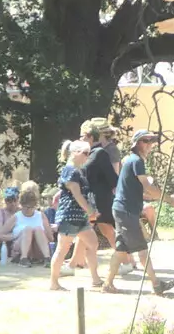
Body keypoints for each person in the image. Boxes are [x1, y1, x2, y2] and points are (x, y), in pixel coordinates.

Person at [105, 129, 174, 294]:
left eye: (152, 141)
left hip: (122, 209)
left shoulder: (133, 161)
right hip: (126, 211)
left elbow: (140, 190)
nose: (150, 144)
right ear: (137, 144)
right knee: (142, 249)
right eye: (146, 141)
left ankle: (107, 284)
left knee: (121, 250)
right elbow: (148, 188)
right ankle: (156, 284)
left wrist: (162, 197)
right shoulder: (136, 161)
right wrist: (170, 200)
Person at [51, 139, 102, 290]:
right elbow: (77, 195)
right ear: (75, 153)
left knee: (92, 243)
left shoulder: (79, 171)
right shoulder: (70, 170)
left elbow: (81, 193)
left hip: (80, 217)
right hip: (69, 216)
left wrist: (90, 210)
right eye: (85, 153)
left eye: (89, 153)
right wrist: (90, 211)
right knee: (62, 249)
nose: (87, 157)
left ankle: (95, 279)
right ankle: (54, 283)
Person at [83, 120, 121, 251]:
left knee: (89, 228)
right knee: (101, 229)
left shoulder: (109, 150)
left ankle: (127, 258)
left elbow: (114, 175)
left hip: (102, 197)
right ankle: (76, 261)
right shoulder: (92, 151)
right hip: (94, 195)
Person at [10, 181, 51, 265]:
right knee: (27, 229)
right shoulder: (16, 216)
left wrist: (40, 234)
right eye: (26, 207)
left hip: (37, 249)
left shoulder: (41, 215)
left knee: (38, 229)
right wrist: (18, 235)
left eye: (31, 207)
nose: (28, 209)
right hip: (20, 248)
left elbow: (51, 238)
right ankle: (23, 258)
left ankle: (47, 259)